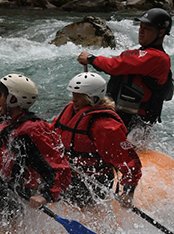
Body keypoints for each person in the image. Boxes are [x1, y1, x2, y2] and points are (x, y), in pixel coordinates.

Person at [52, 72, 142, 208]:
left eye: (79, 96)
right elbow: (52, 133)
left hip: (92, 182)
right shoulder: (70, 110)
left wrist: (128, 194)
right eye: (73, 94)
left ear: (93, 98)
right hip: (67, 173)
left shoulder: (104, 125)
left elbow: (129, 162)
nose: (74, 99)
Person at [77, 8, 174, 132]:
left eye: (147, 29)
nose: (141, 31)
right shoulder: (143, 53)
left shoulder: (157, 58)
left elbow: (115, 66)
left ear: (161, 33)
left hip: (135, 121)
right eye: (141, 27)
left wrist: (91, 58)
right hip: (123, 115)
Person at [0, 74, 71, 209]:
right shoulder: (10, 124)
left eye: (0, 95)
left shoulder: (30, 130)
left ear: (12, 99)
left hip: (17, 197)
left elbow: (56, 166)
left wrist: (46, 196)